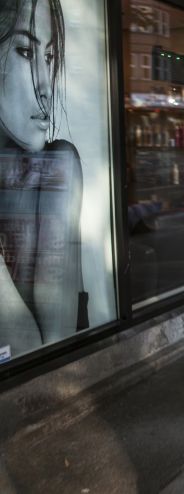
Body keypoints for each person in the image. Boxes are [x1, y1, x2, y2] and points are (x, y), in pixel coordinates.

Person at [0, 0, 87, 358]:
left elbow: (48, 350)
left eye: (49, 59)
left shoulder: (56, 166)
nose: (45, 87)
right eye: (25, 51)